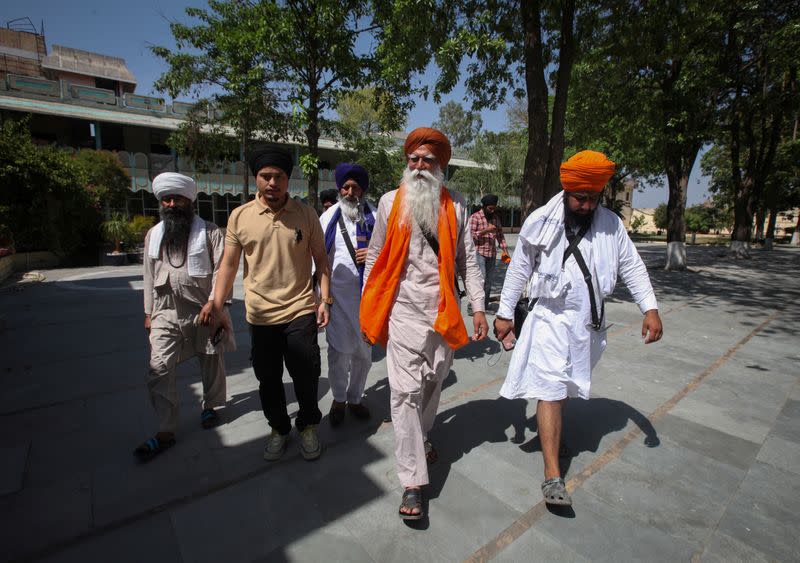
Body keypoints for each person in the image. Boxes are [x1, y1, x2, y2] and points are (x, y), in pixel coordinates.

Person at [493, 150, 663, 506]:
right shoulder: (540, 220)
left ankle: (549, 434)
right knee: (551, 388)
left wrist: (650, 308)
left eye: (592, 198)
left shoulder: (611, 225)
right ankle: (552, 475)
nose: (586, 205)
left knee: (566, 386)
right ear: (567, 190)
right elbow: (519, 270)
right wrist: (504, 312)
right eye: (580, 198)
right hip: (549, 320)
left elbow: (631, 266)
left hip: (588, 325)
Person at [360, 127, 489, 520]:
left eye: (427, 161)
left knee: (434, 378)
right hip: (402, 307)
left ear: (440, 166)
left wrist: (479, 307)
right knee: (403, 393)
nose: (418, 167)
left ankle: (423, 435)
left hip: (443, 308)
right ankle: (413, 482)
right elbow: (377, 251)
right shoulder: (388, 202)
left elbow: (469, 259)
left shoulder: (456, 204)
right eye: (413, 160)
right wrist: (369, 301)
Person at [209, 148, 331, 461]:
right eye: (266, 176)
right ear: (256, 179)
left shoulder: (305, 214)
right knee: (268, 378)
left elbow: (321, 260)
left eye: (279, 176)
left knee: (306, 374)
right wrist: (217, 302)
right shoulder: (240, 216)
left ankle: (307, 426)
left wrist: (324, 299)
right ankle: (278, 428)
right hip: (260, 314)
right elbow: (228, 265)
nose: (272, 182)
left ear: (288, 180)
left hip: (300, 308)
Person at [135, 172, 231, 463]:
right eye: (166, 199)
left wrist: (215, 303)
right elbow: (149, 275)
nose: (171, 203)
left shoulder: (211, 232)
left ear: (190, 200)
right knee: (158, 368)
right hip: (165, 310)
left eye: (177, 198)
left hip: (203, 308)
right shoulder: (154, 234)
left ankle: (210, 406)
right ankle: (166, 429)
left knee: (211, 357)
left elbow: (221, 271)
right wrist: (148, 312)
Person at [319, 163, 376, 426]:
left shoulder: (376, 216)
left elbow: (391, 252)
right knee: (339, 354)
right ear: (340, 189)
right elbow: (318, 258)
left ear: (362, 190)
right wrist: (322, 299)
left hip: (368, 301)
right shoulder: (328, 216)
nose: (350, 191)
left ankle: (355, 398)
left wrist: (374, 255)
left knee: (364, 355)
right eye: (345, 187)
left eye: (355, 187)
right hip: (337, 300)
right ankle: (339, 399)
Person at [468, 193, 509, 314]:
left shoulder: (495, 218)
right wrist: (486, 230)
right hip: (478, 253)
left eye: (494, 208)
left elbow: (500, 236)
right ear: (484, 206)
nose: (492, 210)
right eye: (490, 208)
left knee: (489, 281)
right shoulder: (475, 217)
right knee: (480, 280)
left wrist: (505, 252)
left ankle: (484, 307)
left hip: (491, 254)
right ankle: (473, 307)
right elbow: (470, 236)